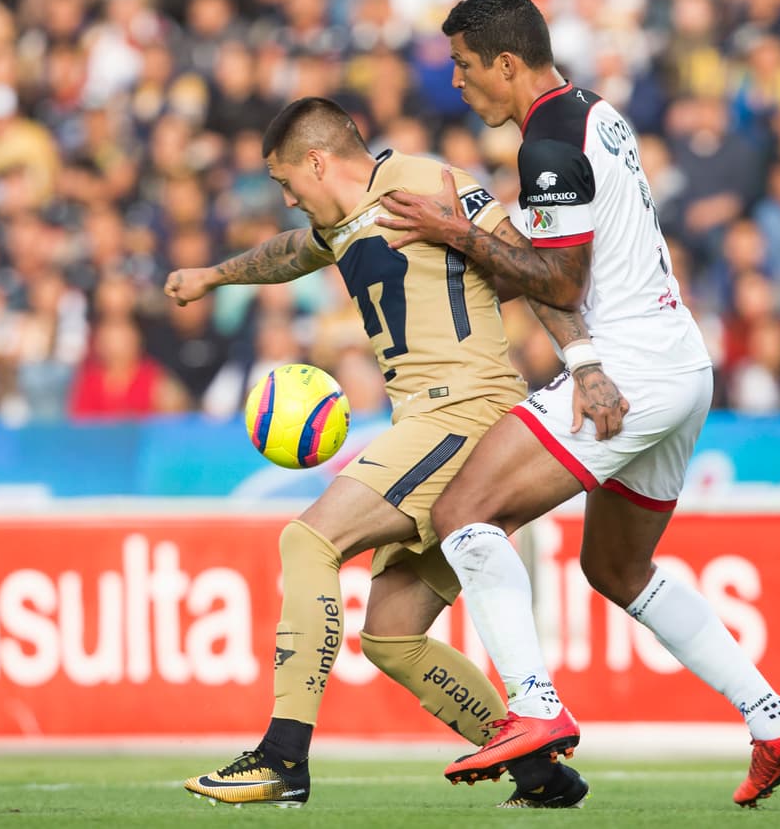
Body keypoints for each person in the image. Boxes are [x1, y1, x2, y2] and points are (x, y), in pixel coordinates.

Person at [378, 0, 780, 808]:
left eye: (464, 66)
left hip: (634, 373)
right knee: (617, 566)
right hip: (678, 364)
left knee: (463, 513)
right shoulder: (593, 113)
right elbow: (565, 264)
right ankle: (775, 720)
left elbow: (558, 278)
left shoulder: (549, 140)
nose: (456, 84)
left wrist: (455, 233)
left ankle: (534, 707)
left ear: (506, 63)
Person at [164, 97, 607, 809]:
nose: (286, 197)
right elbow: (290, 253)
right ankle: (541, 773)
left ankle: (282, 758)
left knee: (308, 541)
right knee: (393, 636)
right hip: (432, 421)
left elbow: (532, 269)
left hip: (464, 411)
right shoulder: (336, 220)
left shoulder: (428, 183)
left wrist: (583, 362)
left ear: (317, 160)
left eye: (286, 181)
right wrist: (214, 276)